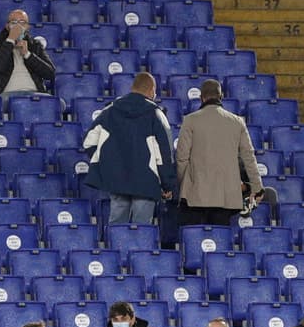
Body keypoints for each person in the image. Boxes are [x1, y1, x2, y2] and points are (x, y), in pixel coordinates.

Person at [82, 71, 176, 226]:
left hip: (117, 179)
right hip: (147, 182)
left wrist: (106, 162)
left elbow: (88, 142)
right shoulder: (156, 114)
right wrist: (168, 184)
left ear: (133, 88)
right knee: (142, 232)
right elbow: (165, 153)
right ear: (152, 91)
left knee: (117, 230)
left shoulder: (109, 110)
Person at [175, 79, 264, 227]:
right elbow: (249, 157)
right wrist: (257, 187)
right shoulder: (237, 122)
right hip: (226, 197)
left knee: (195, 239)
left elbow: (181, 158)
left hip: (195, 195)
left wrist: (183, 185)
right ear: (221, 96)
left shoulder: (190, 121)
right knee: (219, 242)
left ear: (201, 98)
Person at [0, 9, 56, 96]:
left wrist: (28, 55)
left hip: (35, 94)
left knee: (59, 104)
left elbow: (50, 74)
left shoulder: (35, 46)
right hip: (7, 94)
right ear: (7, 26)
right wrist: (10, 40)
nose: (18, 26)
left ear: (27, 27)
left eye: (22, 22)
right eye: (14, 22)